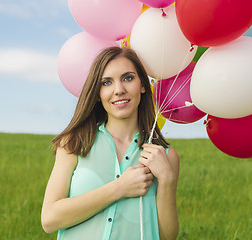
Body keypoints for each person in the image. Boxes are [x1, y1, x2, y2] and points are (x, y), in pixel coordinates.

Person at [41, 46, 180, 240]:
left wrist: (167, 181)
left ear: (142, 85)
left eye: (128, 78)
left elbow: (166, 237)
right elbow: (49, 219)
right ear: (97, 93)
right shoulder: (73, 144)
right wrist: (120, 188)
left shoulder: (165, 157)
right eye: (106, 82)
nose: (119, 90)